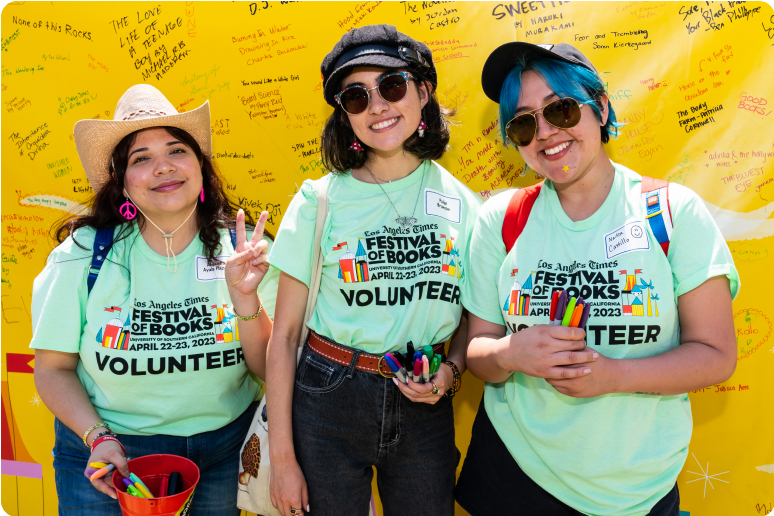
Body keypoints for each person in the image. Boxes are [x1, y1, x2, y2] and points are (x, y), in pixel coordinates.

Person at [455, 42, 739, 516]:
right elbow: (478, 353)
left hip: (637, 490)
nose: (546, 134)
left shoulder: (671, 212)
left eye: (561, 110)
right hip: (513, 478)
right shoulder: (502, 219)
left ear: (600, 108)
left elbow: (716, 356)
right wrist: (510, 352)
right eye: (524, 124)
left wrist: (613, 376)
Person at [31, 84, 278, 516]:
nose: (163, 167)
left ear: (201, 168)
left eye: (176, 151)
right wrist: (98, 437)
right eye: (141, 158)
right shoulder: (82, 256)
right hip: (109, 455)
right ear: (122, 183)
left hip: (221, 454)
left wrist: (245, 298)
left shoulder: (246, 253)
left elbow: (266, 370)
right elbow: (52, 369)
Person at [264, 24, 481, 516]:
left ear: (423, 91)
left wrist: (449, 372)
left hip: (425, 401)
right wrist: (282, 459)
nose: (378, 106)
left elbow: (475, 320)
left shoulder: (464, 205)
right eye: (356, 97)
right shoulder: (317, 201)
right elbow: (284, 336)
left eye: (392, 86)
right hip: (328, 393)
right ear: (345, 115)